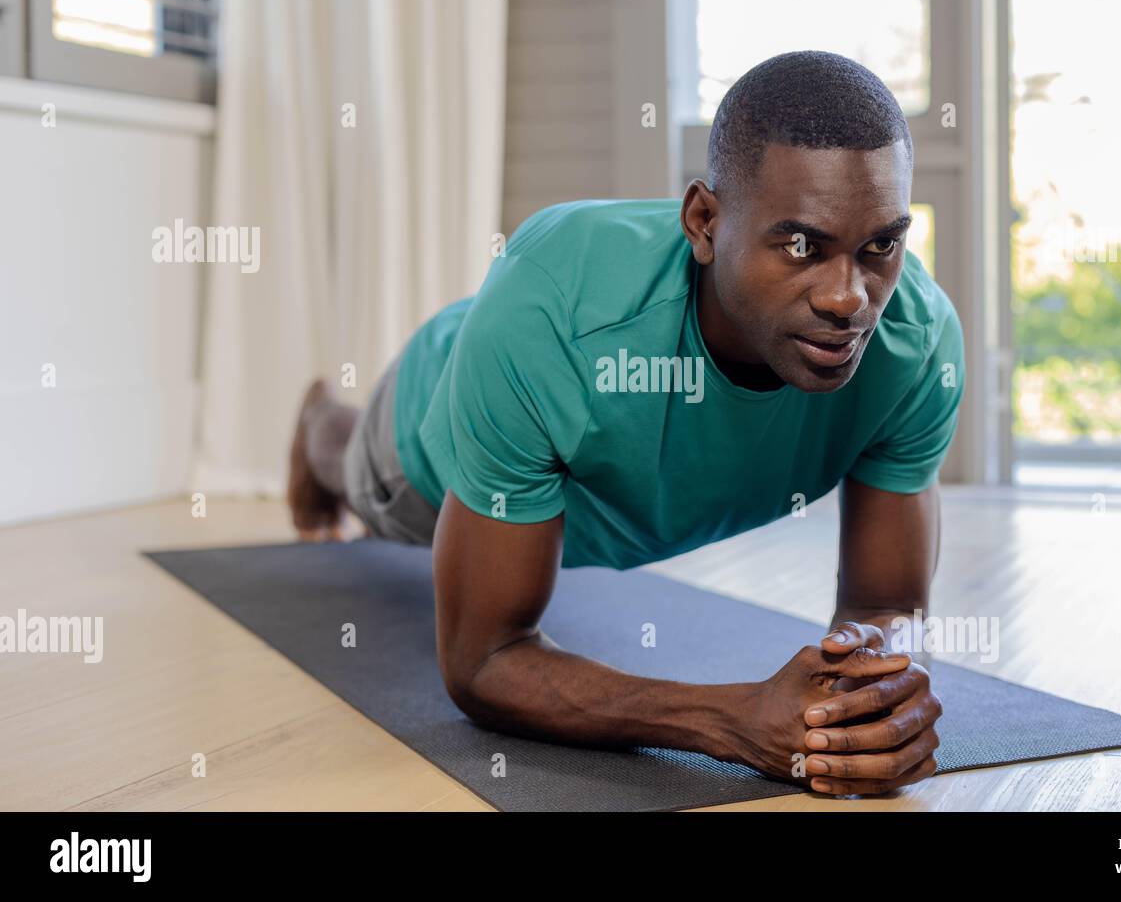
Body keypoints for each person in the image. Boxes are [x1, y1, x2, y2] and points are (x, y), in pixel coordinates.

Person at [288, 51, 963, 795]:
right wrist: (732, 719)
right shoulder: (547, 310)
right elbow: (483, 660)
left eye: (881, 246)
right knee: (353, 466)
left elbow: (885, 607)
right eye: (801, 245)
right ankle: (317, 418)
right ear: (704, 221)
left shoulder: (917, 346)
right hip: (436, 418)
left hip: (561, 425)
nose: (849, 298)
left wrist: (874, 690)